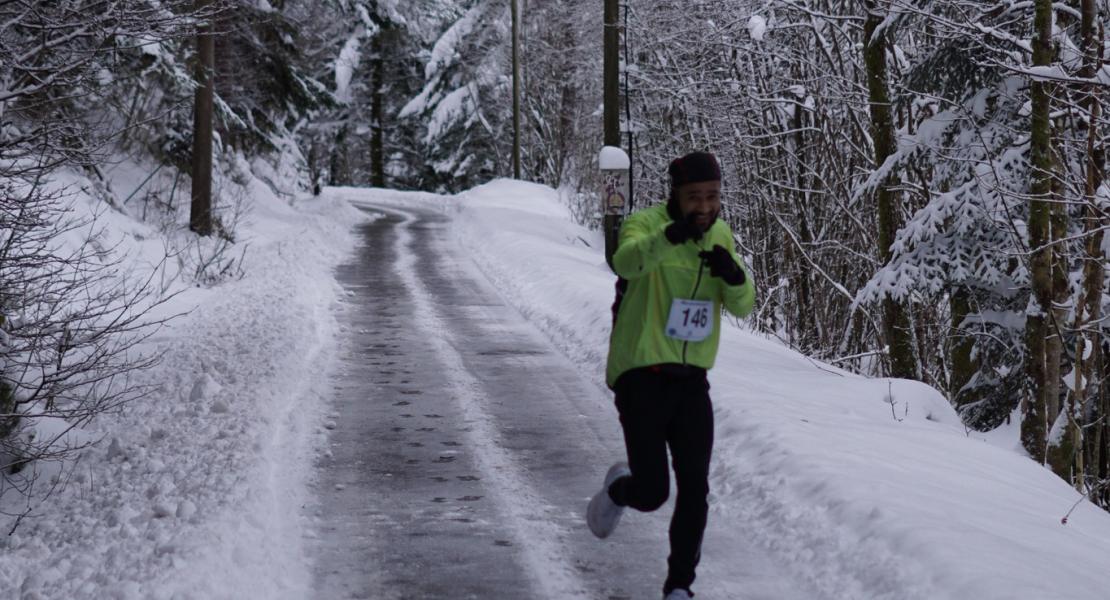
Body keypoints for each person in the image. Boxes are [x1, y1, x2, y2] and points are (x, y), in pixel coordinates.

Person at [586, 151, 755, 600]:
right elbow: (626, 262)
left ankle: (679, 587)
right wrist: (669, 237)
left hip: (692, 378)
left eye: (712, 196)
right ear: (675, 195)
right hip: (640, 373)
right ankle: (621, 491)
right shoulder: (645, 224)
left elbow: (743, 306)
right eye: (694, 197)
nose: (704, 207)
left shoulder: (721, 234)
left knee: (696, 488)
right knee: (653, 492)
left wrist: (734, 276)